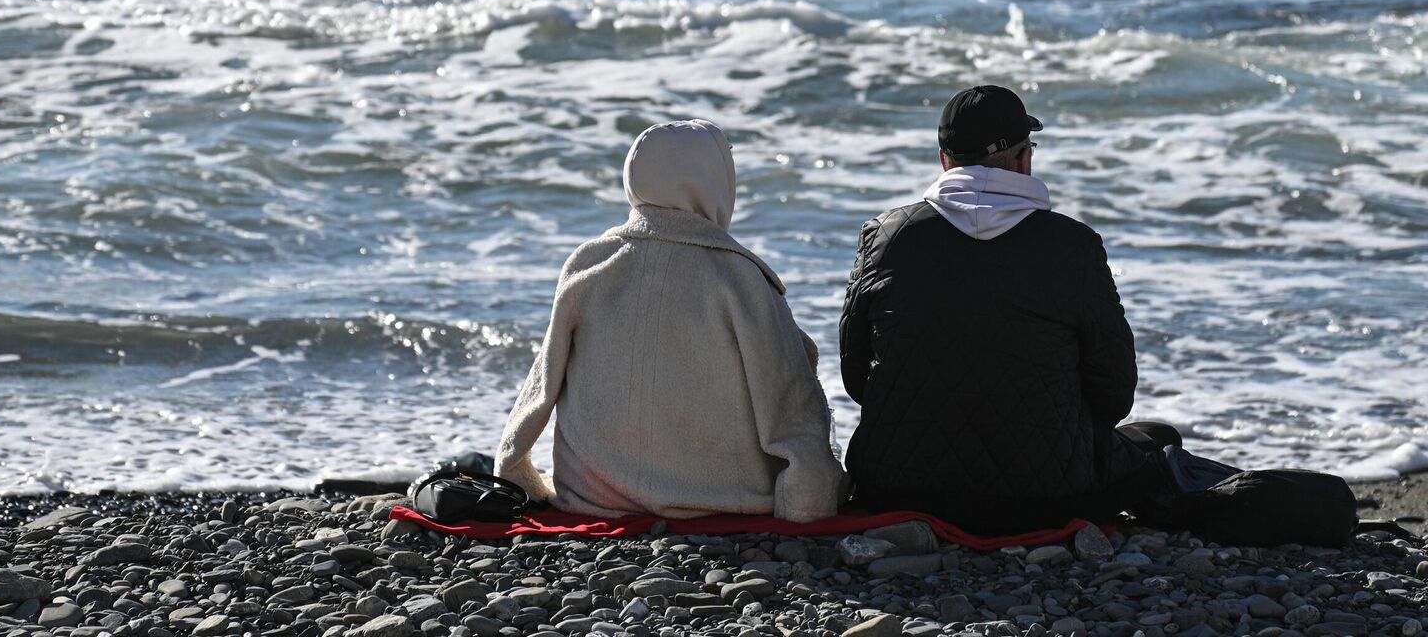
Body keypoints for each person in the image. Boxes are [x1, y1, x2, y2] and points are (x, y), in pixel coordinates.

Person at [839, 85, 1175, 533]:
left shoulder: (885, 237)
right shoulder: (1074, 246)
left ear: (944, 160)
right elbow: (1115, 392)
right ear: (1022, 159)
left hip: (898, 488)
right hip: (1047, 497)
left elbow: (856, 378)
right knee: (1160, 439)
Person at [496, 119, 845, 522]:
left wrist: (516, 474)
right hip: (717, 500)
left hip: (592, 497)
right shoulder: (740, 278)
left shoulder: (589, 264)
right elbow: (790, 403)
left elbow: (539, 389)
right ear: (714, 182)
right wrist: (808, 500)